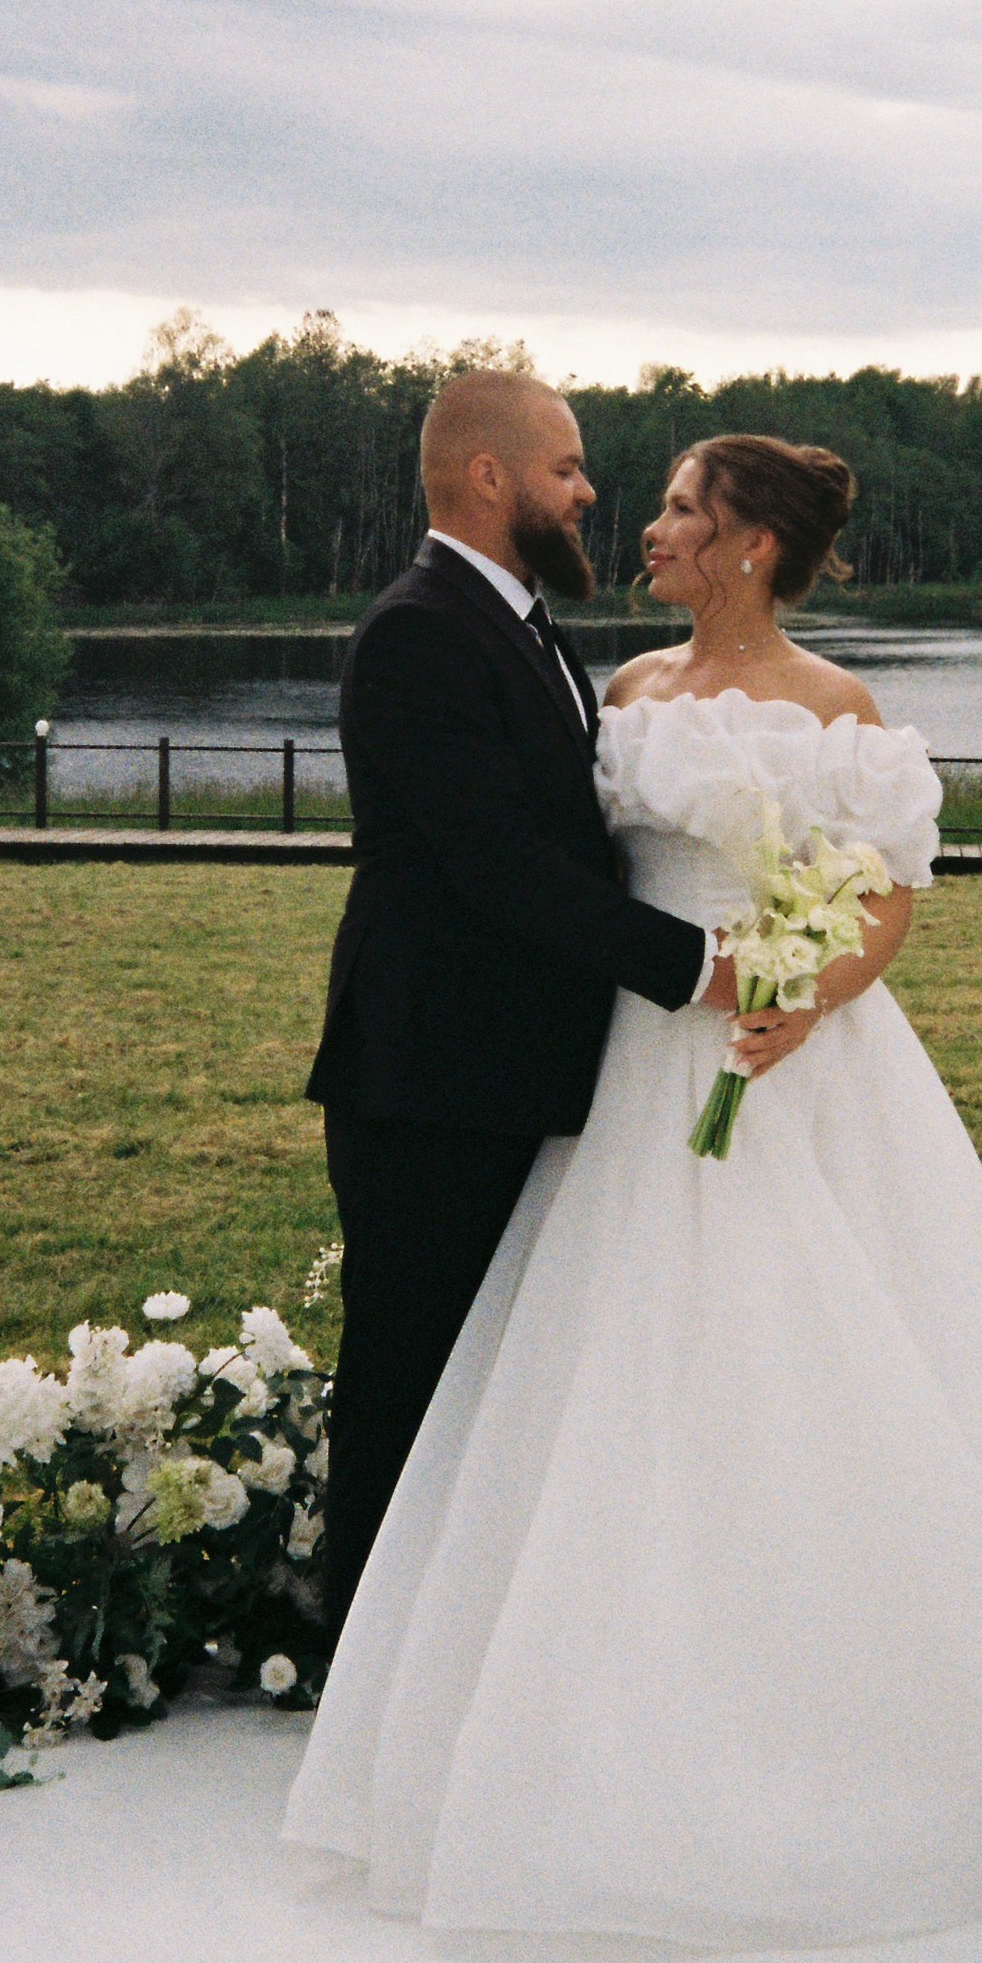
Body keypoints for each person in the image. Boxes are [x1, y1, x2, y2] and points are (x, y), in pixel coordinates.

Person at [287, 430, 982, 1939]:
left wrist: (806, 989)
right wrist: (693, 973)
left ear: (748, 542)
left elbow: (883, 894)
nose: (652, 525)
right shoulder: (619, 692)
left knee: (812, 1357)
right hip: (625, 1060)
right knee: (611, 1363)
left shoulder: (839, 710)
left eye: (681, 507)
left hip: (782, 1060)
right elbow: (554, 867)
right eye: (655, 499)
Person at [306, 371, 744, 1639]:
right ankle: (363, 1674)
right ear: (489, 477)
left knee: (488, 1387)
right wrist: (700, 967)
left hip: (516, 1079)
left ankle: (459, 1660)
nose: (588, 490)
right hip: (429, 1084)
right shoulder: (420, 629)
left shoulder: (521, 623)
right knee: (406, 1386)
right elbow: (501, 870)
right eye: (565, 467)